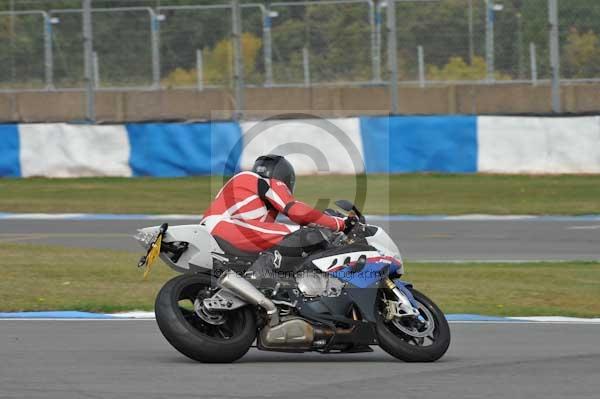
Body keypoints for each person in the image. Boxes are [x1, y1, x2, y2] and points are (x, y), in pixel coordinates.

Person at [201, 155, 357, 277]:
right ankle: (259, 273)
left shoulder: (247, 186)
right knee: (307, 235)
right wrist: (339, 223)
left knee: (288, 240)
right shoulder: (265, 182)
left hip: (213, 232)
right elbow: (296, 211)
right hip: (225, 227)